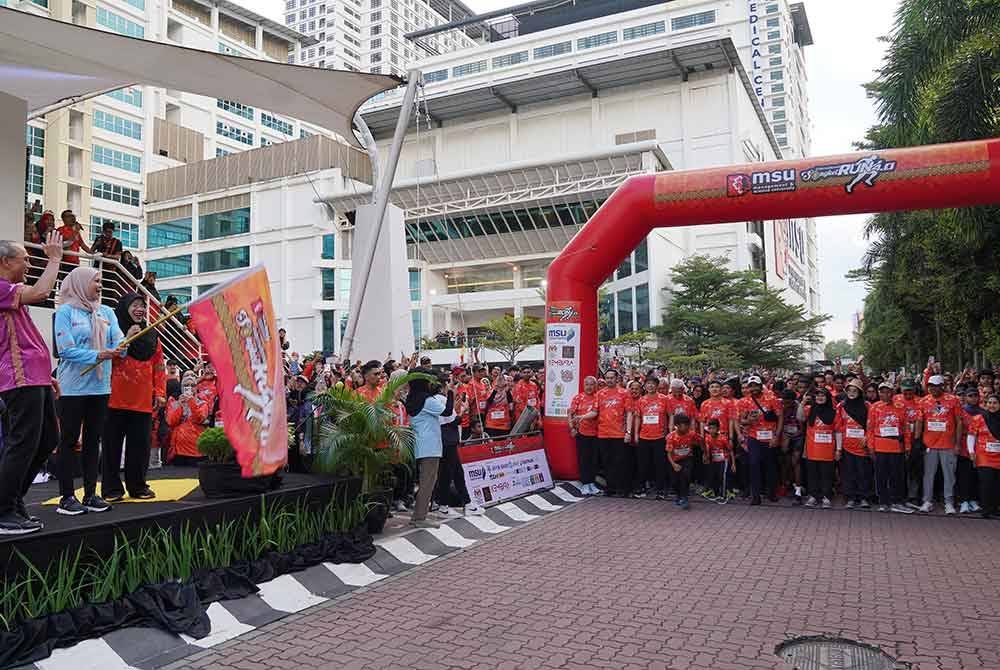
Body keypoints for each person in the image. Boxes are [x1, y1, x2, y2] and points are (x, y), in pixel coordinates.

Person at [0, 234, 64, 535]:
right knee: (23, 442)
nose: (28, 262)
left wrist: (46, 374)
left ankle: (12, 501)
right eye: (24, 258)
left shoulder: (12, 293)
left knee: (47, 439)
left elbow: (27, 338)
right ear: (5, 261)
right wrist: (54, 260)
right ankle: (3, 509)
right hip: (19, 377)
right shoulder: (2, 289)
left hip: (33, 376)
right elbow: (41, 291)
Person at [52, 267, 124, 515]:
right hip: (72, 388)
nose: (100, 285)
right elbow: (65, 349)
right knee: (69, 441)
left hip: (100, 387)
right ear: (81, 283)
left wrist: (124, 344)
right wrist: (100, 354)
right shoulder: (65, 312)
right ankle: (66, 497)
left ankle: (91, 494)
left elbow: (119, 343)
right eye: (96, 281)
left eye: (101, 281)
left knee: (94, 440)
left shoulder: (106, 312)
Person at [102, 293, 166, 501]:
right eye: (135, 305)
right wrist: (127, 338)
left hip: (142, 399)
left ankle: (138, 486)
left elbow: (159, 366)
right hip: (114, 398)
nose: (139, 309)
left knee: (139, 447)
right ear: (124, 307)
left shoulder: (151, 334)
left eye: (142, 306)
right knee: (111, 446)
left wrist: (161, 392)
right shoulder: (112, 331)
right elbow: (106, 358)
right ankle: (111, 489)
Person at [405, 371, 450, 528]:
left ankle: (419, 515)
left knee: (425, 482)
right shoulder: (427, 400)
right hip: (430, 446)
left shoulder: (412, 398)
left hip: (421, 445)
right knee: (427, 483)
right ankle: (419, 519)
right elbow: (447, 411)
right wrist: (450, 392)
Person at [918, 374, 963, 514]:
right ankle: (927, 501)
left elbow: (959, 422)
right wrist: (918, 442)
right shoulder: (924, 401)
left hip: (948, 445)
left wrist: (957, 444)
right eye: (931, 386)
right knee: (928, 474)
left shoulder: (953, 400)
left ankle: (949, 502)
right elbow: (920, 422)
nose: (933, 388)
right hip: (929, 445)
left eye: (936, 386)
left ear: (942, 386)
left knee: (949, 475)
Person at [867, 382, 913, 513]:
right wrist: (871, 447)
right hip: (880, 446)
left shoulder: (901, 407)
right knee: (881, 476)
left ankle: (896, 501)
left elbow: (906, 429)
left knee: (896, 476)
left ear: (892, 393)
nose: (884, 394)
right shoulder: (874, 407)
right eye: (881, 392)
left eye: (887, 392)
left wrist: (908, 446)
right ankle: (883, 502)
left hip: (896, 447)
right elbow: (869, 428)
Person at [738, 375, 783, 506]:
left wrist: (777, 436)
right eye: (750, 386)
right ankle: (756, 495)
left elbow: (780, 418)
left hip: (770, 437)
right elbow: (741, 420)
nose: (753, 388)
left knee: (771, 466)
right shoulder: (744, 402)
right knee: (754, 465)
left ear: (760, 385)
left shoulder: (772, 398)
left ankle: (771, 494)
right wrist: (749, 421)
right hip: (753, 437)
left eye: (755, 385)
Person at [837, 379, 872, 508]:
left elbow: (872, 424)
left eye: (855, 391)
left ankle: (864, 497)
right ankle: (850, 497)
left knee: (863, 472)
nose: (852, 393)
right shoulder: (841, 406)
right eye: (849, 390)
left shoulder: (867, 406)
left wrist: (868, 437)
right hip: (847, 445)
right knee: (848, 473)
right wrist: (839, 448)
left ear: (860, 392)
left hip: (862, 446)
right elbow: (838, 427)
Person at [800, 387, 836, 509]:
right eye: (817, 395)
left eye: (823, 395)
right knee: (812, 474)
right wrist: (803, 402)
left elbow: (837, 432)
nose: (820, 398)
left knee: (827, 474)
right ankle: (813, 496)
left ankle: (826, 497)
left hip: (828, 450)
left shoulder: (834, 412)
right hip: (812, 449)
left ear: (828, 398)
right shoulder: (809, 409)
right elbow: (800, 417)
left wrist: (838, 449)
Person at [965, 394, 1000, 518]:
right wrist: (971, 451)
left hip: (999, 457)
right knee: (986, 483)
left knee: (997, 484)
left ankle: (995, 508)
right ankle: (986, 510)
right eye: (989, 403)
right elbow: (971, 435)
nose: (991, 405)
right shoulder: (979, 418)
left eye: (995, 403)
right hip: (984, 456)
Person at [596, 369, 630, 497]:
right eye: (607, 378)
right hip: (603, 433)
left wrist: (628, 431)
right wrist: (581, 417)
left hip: (619, 434)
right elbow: (595, 411)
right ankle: (610, 488)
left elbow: (629, 413)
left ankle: (623, 489)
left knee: (621, 462)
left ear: (617, 379)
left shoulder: (624, 393)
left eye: (611, 378)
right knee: (607, 462)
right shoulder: (600, 394)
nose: (609, 380)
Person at [165, 372, 211, 465]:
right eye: (186, 385)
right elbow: (171, 422)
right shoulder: (174, 402)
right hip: (178, 453)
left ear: (196, 387)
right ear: (182, 387)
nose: (189, 388)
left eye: (192, 385)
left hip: (197, 453)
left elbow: (199, 418)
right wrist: (180, 405)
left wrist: (191, 401)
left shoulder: (203, 403)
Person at [635, 377, 668, 498]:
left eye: (653, 384)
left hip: (660, 436)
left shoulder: (664, 399)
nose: (650, 386)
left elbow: (670, 415)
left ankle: (660, 490)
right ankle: (642, 488)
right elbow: (638, 417)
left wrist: (668, 432)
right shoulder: (641, 400)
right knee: (643, 464)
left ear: (657, 385)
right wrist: (636, 434)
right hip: (644, 436)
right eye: (648, 384)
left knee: (660, 464)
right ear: (645, 386)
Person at [569, 376, 600, 496]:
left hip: (597, 433)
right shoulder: (578, 398)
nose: (589, 387)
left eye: (592, 384)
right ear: (583, 385)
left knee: (594, 460)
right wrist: (572, 427)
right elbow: (570, 413)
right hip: (582, 433)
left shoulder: (598, 397)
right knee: (584, 459)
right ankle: (585, 483)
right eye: (587, 384)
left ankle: (592, 483)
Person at [957, 387, 983, 514]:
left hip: (979, 448)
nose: (973, 398)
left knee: (975, 476)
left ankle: (973, 499)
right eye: (970, 396)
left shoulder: (983, 412)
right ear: (966, 397)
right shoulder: (961, 411)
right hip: (963, 447)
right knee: (964, 475)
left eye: (975, 395)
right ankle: (963, 501)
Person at [666, 414, 698, 510]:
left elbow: (701, 442)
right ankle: (678, 495)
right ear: (677, 426)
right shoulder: (671, 437)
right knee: (675, 481)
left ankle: (684, 497)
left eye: (687, 425)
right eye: (684, 425)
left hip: (687, 458)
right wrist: (674, 464)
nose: (686, 427)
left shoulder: (691, 434)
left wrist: (705, 453)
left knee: (686, 475)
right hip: (674, 460)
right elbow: (668, 453)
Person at [702, 418, 734, 502]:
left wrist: (734, 464)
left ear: (718, 429)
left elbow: (730, 450)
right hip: (714, 460)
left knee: (722, 476)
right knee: (714, 475)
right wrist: (705, 457)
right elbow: (707, 450)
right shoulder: (707, 438)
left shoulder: (723, 438)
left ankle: (723, 495)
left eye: (714, 428)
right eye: (710, 428)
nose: (712, 430)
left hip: (724, 460)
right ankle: (715, 492)